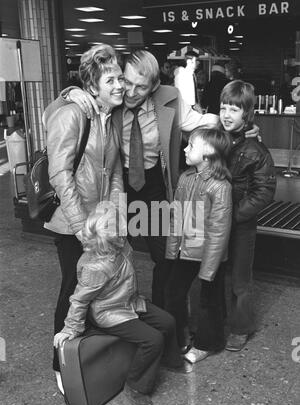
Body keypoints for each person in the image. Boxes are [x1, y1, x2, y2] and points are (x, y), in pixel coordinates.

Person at [46, 49, 220, 310]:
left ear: (153, 86)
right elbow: (53, 115)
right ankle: (117, 320)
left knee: (166, 256)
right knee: (107, 262)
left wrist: (238, 126)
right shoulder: (109, 102)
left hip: (150, 188)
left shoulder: (169, 100)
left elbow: (200, 122)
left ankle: (165, 321)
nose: (130, 91)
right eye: (126, 82)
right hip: (115, 187)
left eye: (141, 87)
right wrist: (70, 92)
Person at [43, 44, 124, 392]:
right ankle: (62, 364)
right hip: (73, 225)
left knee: (98, 288)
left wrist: (115, 215)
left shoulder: (109, 116)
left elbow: (115, 170)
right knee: (74, 291)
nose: (120, 84)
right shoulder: (73, 113)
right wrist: (81, 227)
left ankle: (88, 357)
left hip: (100, 223)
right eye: (111, 79)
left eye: (120, 77)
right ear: (93, 85)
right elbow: (60, 174)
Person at [54, 206, 191, 405]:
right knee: (153, 340)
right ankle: (136, 386)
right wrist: (69, 329)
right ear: (111, 236)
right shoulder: (95, 267)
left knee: (167, 321)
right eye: (120, 226)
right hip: (111, 313)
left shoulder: (121, 245)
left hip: (128, 302)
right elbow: (79, 300)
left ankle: (170, 360)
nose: (125, 227)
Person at [164, 128, 233, 362]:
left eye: (191, 146)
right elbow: (176, 217)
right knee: (173, 293)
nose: (185, 148)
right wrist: (172, 249)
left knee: (208, 301)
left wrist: (209, 268)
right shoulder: (185, 178)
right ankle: (180, 337)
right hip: (186, 250)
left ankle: (208, 343)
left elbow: (219, 231)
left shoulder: (220, 186)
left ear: (209, 153)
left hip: (209, 255)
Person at [219, 80, 277, 351]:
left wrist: (235, 215)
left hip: (241, 223)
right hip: (215, 221)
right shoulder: (215, 139)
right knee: (213, 271)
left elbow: (263, 191)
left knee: (240, 278)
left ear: (247, 114)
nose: (227, 114)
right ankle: (212, 320)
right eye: (223, 108)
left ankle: (241, 328)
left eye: (234, 109)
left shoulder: (257, 150)